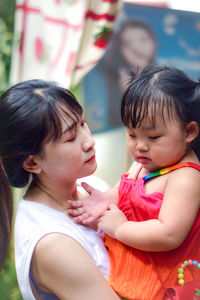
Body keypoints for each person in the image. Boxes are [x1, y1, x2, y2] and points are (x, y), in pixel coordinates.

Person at [69, 65, 200, 299]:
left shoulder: (186, 177)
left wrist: (120, 228)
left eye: (153, 137)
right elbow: (125, 190)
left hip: (164, 287)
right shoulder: (144, 163)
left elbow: (169, 234)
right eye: (131, 134)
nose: (140, 145)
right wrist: (103, 199)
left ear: (189, 132)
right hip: (133, 279)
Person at [0, 80, 120, 300]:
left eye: (83, 123)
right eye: (71, 137)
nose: (88, 142)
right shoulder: (52, 243)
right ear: (32, 163)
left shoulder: (92, 186)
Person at [83, 18, 157, 132]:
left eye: (143, 40)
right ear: (119, 49)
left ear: (154, 42)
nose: (136, 49)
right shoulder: (112, 79)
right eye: (128, 44)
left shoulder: (165, 79)